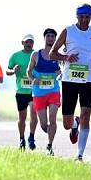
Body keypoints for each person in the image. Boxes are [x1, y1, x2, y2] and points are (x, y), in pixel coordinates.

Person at [49, 4, 91, 161]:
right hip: (69, 80)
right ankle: (74, 125)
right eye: (81, 17)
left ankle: (79, 154)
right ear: (77, 17)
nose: (84, 20)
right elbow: (52, 53)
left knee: (86, 115)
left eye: (87, 17)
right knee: (66, 123)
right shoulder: (68, 31)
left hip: (88, 80)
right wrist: (66, 57)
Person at [27, 28, 62, 156]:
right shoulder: (36, 54)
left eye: (53, 36)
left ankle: (50, 145)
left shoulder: (58, 56)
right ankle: (50, 133)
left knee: (53, 119)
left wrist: (61, 75)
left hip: (54, 91)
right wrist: (33, 79)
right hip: (39, 93)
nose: (50, 38)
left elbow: (60, 72)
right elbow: (28, 71)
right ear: (44, 38)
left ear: (55, 39)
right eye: (48, 36)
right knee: (43, 124)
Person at [7, 34, 37, 150]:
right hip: (20, 91)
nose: (29, 44)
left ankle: (31, 137)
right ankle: (21, 139)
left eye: (31, 42)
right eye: (27, 42)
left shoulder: (36, 55)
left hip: (34, 90)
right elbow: (7, 70)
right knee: (22, 117)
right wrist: (13, 71)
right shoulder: (15, 56)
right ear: (22, 43)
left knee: (34, 114)